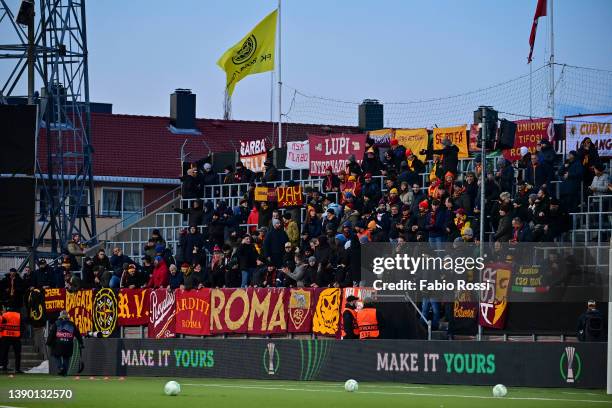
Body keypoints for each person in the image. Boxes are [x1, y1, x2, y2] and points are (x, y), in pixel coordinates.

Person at [46, 310, 83, 376]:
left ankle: (60, 367)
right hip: (69, 344)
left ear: (60, 316)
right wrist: (81, 343)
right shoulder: (72, 324)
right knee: (66, 357)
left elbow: (52, 334)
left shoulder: (56, 323)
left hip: (58, 344)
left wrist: (48, 342)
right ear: (67, 316)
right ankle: (64, 372)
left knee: (56, 355)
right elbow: (78, 334)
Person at [0, 305, 23, 373]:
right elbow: (22, 326)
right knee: (17, 354)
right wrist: (20, 335)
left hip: (5, 336)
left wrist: (1, 335)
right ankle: (17, 369)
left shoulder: (4, 315)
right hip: (16, 337)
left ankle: (4, 367)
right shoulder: (19, 315)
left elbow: (1, 326)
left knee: (4, 353)